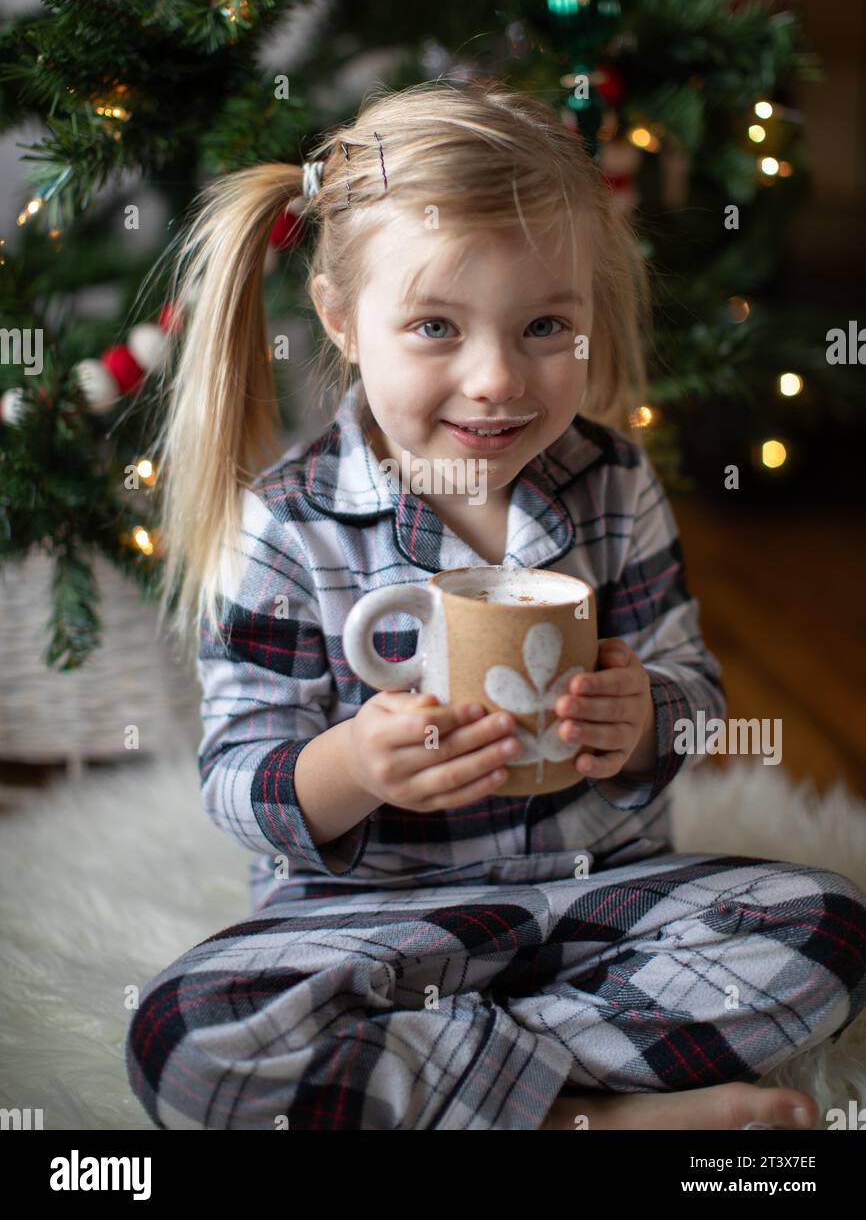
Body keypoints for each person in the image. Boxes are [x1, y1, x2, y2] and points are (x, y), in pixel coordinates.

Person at [125, 80, 866, 1130]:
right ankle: (583, 1116)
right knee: (186, 1038)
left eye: (542, 326)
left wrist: (645, 711)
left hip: (592, 908)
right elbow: (240, 775)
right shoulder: (286, 526)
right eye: (434, 325)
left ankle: (465, 1087)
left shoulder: (612, 482)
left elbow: (694, 691)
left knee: (821, 925)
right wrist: (351, 767)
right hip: (369, 929)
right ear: (340, 320)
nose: (495, 378)